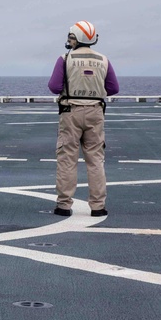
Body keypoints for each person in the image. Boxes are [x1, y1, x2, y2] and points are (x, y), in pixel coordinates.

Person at [48, 20, 119, 217]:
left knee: (67, 158)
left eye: (71, 37)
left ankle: (64, 205)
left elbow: (54, 87)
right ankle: (98, 206)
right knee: (96, 159)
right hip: (96, 113)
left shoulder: (65, 59)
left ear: (77, 38)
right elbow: (113, 88)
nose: (69, 40)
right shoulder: (103, 60)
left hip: (70, 112)